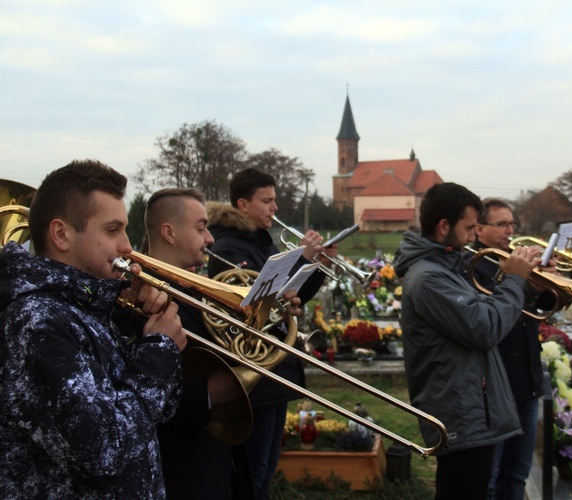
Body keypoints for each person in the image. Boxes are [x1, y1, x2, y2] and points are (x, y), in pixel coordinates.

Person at [0, 160, 186, 498]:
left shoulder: (87, 307)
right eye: (112, 230)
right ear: (61, 234)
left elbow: (154, 413)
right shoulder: (38, 321)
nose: (127, 246)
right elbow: (103, 450)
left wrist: (139, 326)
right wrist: (158, 353)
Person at [393, 182, 540, 499]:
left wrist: (523, 283)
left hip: (471, 408)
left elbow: (484, 310)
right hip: (459, 413)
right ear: (444, 226)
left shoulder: (447, 266)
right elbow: (485, 328)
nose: (474, 236)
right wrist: (514, 279)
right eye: (469, 227)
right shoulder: (429, 277)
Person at [206, 168, 335, 500]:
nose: (274, 208)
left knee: (267, 465)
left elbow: (287, 298)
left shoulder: (259, 242)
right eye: (267, 201)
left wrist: (316, 267)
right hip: (255, 369)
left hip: (274, 368)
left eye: (274, 200)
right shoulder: (228, 247)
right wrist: (300, 259)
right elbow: (251, 305)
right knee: (255, 470)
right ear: (243, 204)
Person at [144, 187, 258, 499]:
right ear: (169, 232)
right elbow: (137, 395)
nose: (209, 239)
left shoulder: (195, 291)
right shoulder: (140, 299)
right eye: (201, 227)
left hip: (217, 461)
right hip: (181, 470)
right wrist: (207, 395)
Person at [467, 198, 555, 500]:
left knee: (517, 476)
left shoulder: (519, 264)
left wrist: (540, 287)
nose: (510, 231)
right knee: (489, 482)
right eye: (501, 224)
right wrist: (518, 280)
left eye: (512, 224)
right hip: (495, 388)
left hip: (528, 384)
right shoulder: (475, 267)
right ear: (479, 228)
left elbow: (538, 313)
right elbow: (491, 320)